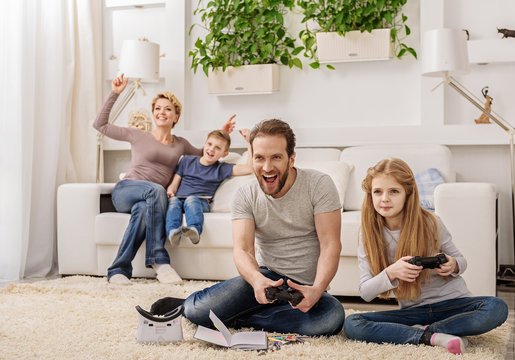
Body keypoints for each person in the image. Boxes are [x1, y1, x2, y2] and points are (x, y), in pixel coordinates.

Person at [182, 119, 345, 336]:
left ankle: (238, 319)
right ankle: (249, 314)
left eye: (276, 157)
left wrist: (317, 289)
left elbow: (330, 245)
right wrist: (257, 280)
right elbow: (243, 250)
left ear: (291, 158)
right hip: (267, 279)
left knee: (331, 317)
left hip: (306, 286)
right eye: (259, 158)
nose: (267, 168)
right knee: (194, 310)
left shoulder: (319, 184)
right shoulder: (245, 194)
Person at [343, 158, 508, 354]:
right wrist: (392, 272)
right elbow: (365, 292)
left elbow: (461, 261)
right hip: (414, 313)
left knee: (496, 307)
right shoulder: (367, 233)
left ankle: (421, 333)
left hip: (453, 305)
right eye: (377, 192)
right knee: (353, 323)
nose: (384, 198)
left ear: (408, 194)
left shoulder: (431, 222)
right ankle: (432, 336)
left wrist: (453, 265)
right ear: (370, 195)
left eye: (394, 191)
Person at [93, 74, 235, 285]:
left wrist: (221, 134)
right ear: (153, 113)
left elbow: (207, 155)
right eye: (158, 108)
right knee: (156, 191)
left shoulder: (181, 144)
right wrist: (115, 93)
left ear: (176, 116)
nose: (162, 112)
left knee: (144, 209)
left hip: (152, 201)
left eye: (168, 109)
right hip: (126, 190)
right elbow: (100, 125)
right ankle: (159, 261)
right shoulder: (137, 135)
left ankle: (118, 270)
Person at [165, 128, 252, 246]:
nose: (211, 149)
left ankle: (194, 230)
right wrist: (170, 192)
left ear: (224, 154)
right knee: (173, 201)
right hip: (180, 199)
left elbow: (249, 168)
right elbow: (174, 184)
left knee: (191, 199)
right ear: (205, 145)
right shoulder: (186, 161)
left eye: (218, 148)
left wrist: (249, 142)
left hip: (200, 202)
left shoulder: (221, 169)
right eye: (209, 144)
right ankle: (172, 232)